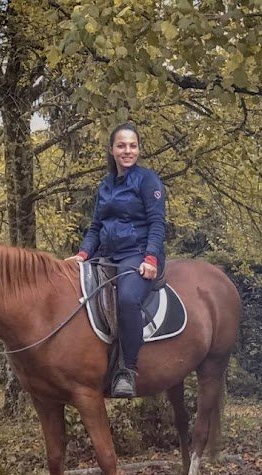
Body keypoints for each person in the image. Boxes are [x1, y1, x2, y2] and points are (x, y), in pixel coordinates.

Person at [67, 123, 167, 396]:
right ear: (112, 150)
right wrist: (82, 254)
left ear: (138, 149)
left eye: (132, 145)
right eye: (121, 145)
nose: (127, 150)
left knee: (127, 299)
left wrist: (150, 258)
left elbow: (157, 223)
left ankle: (127, 370)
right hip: (105, 255)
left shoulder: (148, 180)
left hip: (137, 255)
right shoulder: (106, 185)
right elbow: (96, 226)